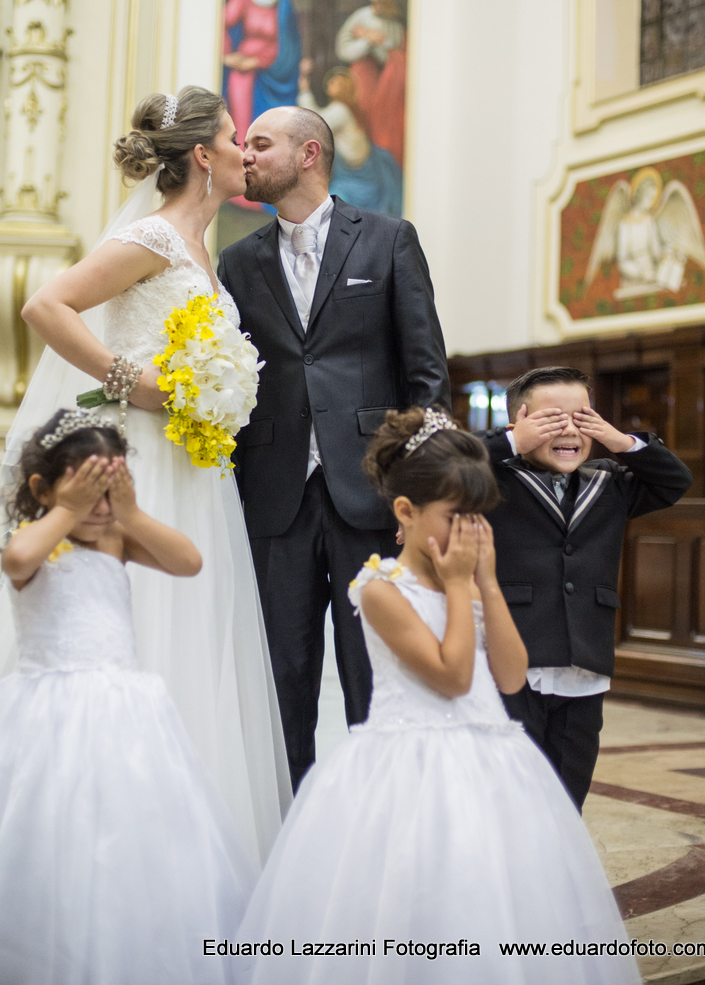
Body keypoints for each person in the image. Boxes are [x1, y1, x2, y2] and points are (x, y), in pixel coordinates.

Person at [0, 88, 291, 869]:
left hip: (194, 468)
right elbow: (47, 305)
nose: (243, 150)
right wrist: (134, 382)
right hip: (141, 464)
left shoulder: (202, 250)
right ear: (202, 155)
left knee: (194, 623)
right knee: (139, 623)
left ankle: (183, 851)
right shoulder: (154, 237)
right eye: (234, 136)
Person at [231, 408, 642, 985]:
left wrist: (486, 584)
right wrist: (456, 586)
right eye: (455, 517)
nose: (469, 532)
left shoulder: (470, 580)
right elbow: (452, 677)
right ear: (406, 512)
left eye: (478, 515)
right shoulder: (379, 588)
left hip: (491, 759)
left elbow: (510, 677)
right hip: (409, 763)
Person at [0, 410, 252, 985]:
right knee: (42, 827)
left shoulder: (115, 539)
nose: (100, 507)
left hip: (121, 714)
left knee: (118, 829)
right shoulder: (34, 539)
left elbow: (189, 562)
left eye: (110, 492)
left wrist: (130, 513)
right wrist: (66, 510)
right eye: (88, 491)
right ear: (42, 488)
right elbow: (16, 561)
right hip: (44, 714)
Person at [218, 105, 449, 790]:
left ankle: (377, 811)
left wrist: (417, 492)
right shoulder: (238, 260)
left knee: (373, 670)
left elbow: (427, 375)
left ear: (309, 154)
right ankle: (289, 820)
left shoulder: (387, 239)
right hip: (273, 497)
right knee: (280, 676)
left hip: (372, 495)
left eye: (260, 144)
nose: (246, 154)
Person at [481, 366, 693, 811]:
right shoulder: (491, 480)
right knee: (512, 794)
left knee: (568, 790)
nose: (569, 431)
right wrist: (510, 443)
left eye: (582, 418)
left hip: (585, 661)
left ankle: (560, 855)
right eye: (552, 420)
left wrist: (621, 442)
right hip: (515, 657)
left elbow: (675, 481)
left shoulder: (609, 482)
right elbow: (437, 467)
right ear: (519, 423)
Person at [298, 63, 402, 217]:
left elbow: (315, 124)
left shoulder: (341, 111)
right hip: (351, 170)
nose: (331, 83)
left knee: (333, 201)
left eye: (337, 82)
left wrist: (305, 91)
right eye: (331, 81)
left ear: (346, 88)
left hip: (356, 175)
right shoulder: (343, 108)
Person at [223, 0, 302, 146]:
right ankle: (242, 157)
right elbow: (221, 23)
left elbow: (288, 41)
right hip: (243, 68)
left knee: (272, 123)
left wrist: (260, 61)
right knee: (241, 119)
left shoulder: (283, 3)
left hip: (273, 71)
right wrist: (227, 56)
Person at [335, 0, 406, 166]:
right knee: (360, 114)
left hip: (385, 82)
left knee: (379, 120)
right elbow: (343, 48)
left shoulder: (395, 25)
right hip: (361, 76)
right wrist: (367, 41)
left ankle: (378, 161)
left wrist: (378, 41)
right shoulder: (361, 17)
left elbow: (392, 57)